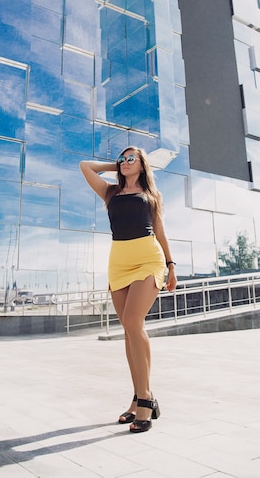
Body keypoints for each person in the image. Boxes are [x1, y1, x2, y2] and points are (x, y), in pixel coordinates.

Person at [80, 146, 177, 433]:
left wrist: (171, 265)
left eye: (130, 158)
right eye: (122, 158)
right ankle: (138, 397)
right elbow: (85, 165)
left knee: (134, 323)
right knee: (128, 329)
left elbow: (160, 231)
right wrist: (118, 165)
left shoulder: (152, 196)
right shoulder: (110, 193)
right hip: (119, 262)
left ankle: (146, 399)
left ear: (143, 165)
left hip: (148, 258)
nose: (124, 161)